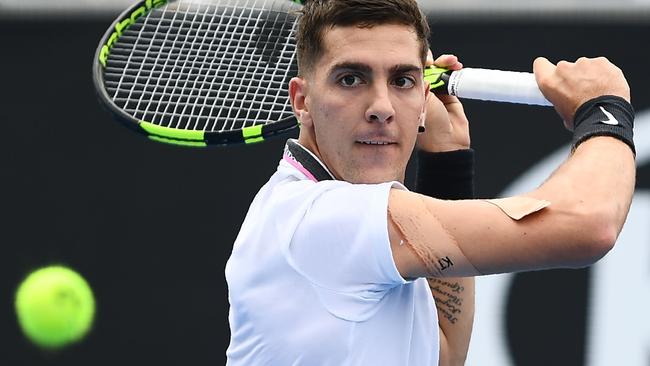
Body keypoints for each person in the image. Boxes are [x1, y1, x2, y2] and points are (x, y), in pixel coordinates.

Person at [225, 0, 636, 365]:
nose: (381, 108)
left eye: (402, 80)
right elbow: (587, 224)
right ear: (302, 101)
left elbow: (441, 354)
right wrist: (605, 111)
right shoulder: (319, 216)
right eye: (351, 79)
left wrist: (448, 159)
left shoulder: (333, 222)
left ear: (424, 99)